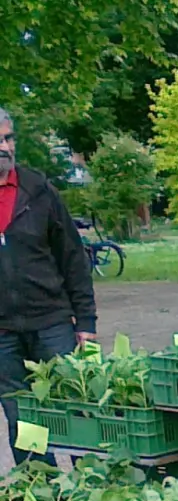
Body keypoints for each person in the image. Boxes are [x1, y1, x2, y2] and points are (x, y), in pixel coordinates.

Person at [0, 107, 96, 463]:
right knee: (24, 424)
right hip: (3, 336)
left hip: (52, 324)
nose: (6, 147)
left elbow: (73, 257)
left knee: (74, 413)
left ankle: (90, 499)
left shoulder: (39, 191)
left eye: (9, 138)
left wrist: (86, 322)